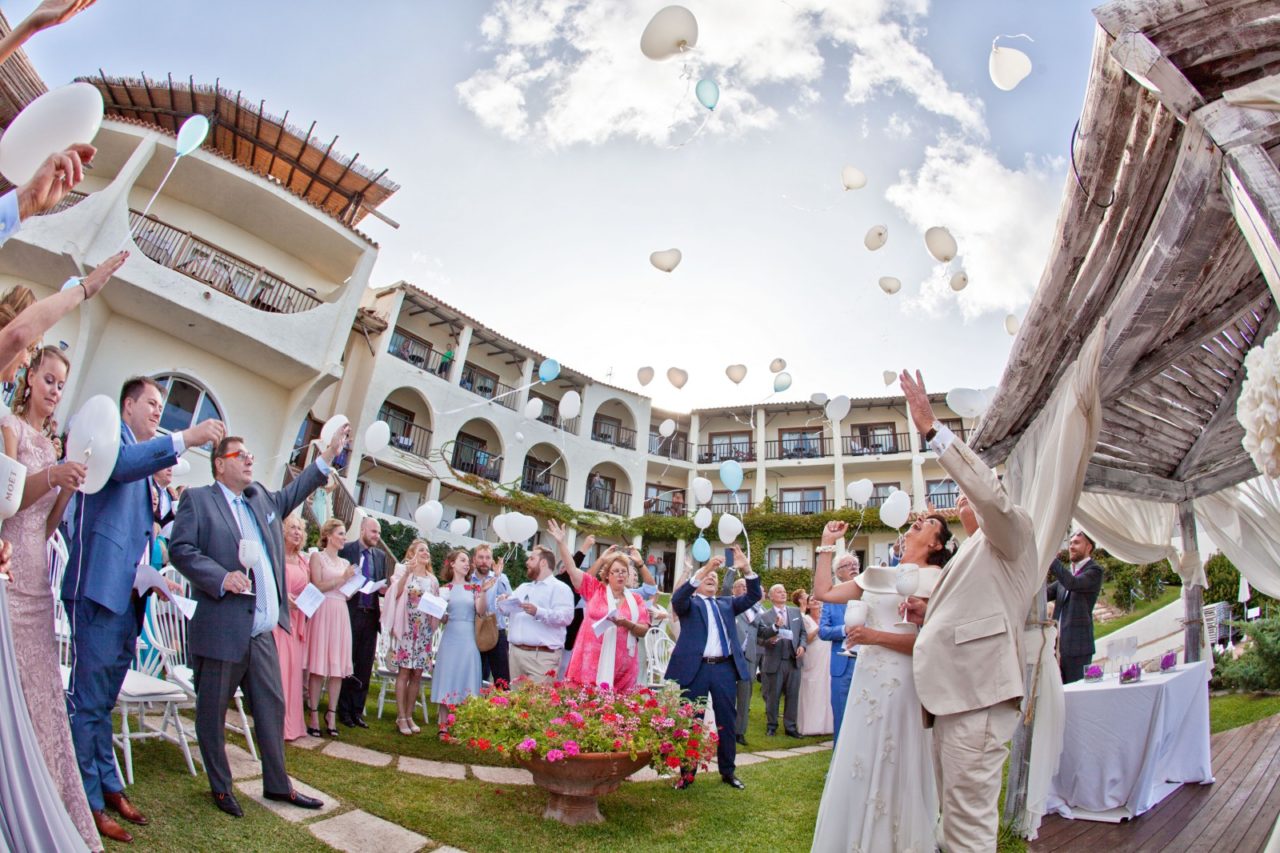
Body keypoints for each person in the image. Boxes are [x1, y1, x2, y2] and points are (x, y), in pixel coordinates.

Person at [63, 377, 223, 841]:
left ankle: (109, 785)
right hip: (96, 592)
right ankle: (87, 801)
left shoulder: (142, 467)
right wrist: (186, 439)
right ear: (127, 405)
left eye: (161, 405)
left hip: (126, 599)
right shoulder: (108, 437)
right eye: (151, 403)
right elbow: (120, 466)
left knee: (104, 703)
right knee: (89, 704)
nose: (159, 411)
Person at [899, 369, 1039, 853]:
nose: (962, 498)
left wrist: (933, 431)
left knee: (967, 829)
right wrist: (927, 616)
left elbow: (990, 496)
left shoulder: (1012, 531)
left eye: (971, 493)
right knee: (951, 818)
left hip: (977, 697)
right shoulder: (975, 552)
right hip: (953, 697)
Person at [169, 428, 341, 818]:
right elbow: (181, 550)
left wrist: (328, 454)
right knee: (212, 711)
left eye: (250, 454)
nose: (249, 459)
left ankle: (278, 785)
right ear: (219, 464)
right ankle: (221, 787)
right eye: (239, 455)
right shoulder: (199, 500)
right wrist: (219, 577)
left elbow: (294, 493)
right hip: (222, 628)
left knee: (271, 707)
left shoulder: (259, 498)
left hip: (261, 631)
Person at [0, 346, 99, 850]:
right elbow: (10, 502)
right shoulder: (10, 430)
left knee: (41, 693)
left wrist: (67, 487)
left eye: (62, 383)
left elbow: (47, 526)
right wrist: (52, 476)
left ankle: (43, 796)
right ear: (30, 377)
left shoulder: (53, 443)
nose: (55, 390)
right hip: (9, 567)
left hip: (38, 575)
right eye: (49, 379)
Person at [811, 516, 953, 852]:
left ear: (936, 543)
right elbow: (824, 592)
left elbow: (930, 642)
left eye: (929, 522)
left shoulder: (939, 581)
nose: (918, 520)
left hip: (903, 683)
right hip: (867, 683)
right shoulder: (876, 574)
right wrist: (826, 545)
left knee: (895, 758)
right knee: (859, 755)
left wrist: (873, 636)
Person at [665, 546, 761, 790]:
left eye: (715, 577)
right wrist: (706, 568)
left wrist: (747, 568)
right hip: (695, 670)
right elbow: (676, 599)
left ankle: (728, 772)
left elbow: (753, 596)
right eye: (707, 576)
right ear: (697, 582)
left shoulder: (727, 604)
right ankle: (687, 774)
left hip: (723, 670)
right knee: (692, 722)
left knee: (726, 721)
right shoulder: (689, 604)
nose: (711, 578)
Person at [561, 538, 651, 691]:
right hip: (590, 663)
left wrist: (627, 624)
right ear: (607, 575)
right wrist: (561, 542)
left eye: (624, 572)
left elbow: (643, 630)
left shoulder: (636, 599)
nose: (620, 575)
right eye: (615, 571)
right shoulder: (595, 590)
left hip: (623, 668)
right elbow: (571, 569)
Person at [431, 549, 492, 733]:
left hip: (468, 638)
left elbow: (481, 611)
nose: (467, 564)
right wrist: (439, 612)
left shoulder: (473, 588)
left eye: (468, 561)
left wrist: (483, 592)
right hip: (450, 637)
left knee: (466, 676)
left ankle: (462, 723)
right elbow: (440, 617)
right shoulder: (444, 590)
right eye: (463, 560)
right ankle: (443, 725)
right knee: (447, 676)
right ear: (452, 564)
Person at [382, 539, 439, 735]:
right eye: (421, 550)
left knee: (417, 674)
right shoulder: (403, 572)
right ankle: (400, 716)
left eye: (427, 550)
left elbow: (436, 605)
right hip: (407, 629)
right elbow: (394, 594)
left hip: (423, 632)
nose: (425, 553)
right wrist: (407, 573)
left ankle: (408, 714)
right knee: (404, 672)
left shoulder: (432, 580)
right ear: (412, 553)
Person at [305, 519, 355, 738]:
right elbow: (316, 586)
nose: (344, 538)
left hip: (340, 610)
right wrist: (342, 580)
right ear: (329, 535)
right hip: (322, 609)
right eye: (341, 533)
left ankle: (331, 714)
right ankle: (314, 714)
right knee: (318, 667)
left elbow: (348, 591)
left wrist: (352, 584)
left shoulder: (345, 562)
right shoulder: (317, 557)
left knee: (337, 669)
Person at [337, 517, 388, 728]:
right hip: (351, 612)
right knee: (347, 663)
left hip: (370, 615)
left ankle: (358, 711)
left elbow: (380, 584)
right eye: (373, 532)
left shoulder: (381, 556)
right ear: (363, 530)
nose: (377, 536)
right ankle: (343, 710)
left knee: (365, 666)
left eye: (378, 533)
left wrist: (383, 589)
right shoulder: (346, 550)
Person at [503, 544, 573, 683]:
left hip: (542, 657)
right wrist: (503, 602)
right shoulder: (523, 588)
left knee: (538, 702)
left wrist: (538, 612)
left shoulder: (560, 588)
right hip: (516, 654)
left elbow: (566, 617)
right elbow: (505, 611)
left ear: (543, 562)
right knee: (515, 703)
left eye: (531, 559)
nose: (527, 562)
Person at [1047, 531, 1104, 684]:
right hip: (1056, 647)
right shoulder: (1068, 575)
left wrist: (1051, 559)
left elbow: (1073, 584)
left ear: (1089, 547)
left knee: (1075, 694)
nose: (1071, 546)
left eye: (1077, 543)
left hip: (1078, 649)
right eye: (1070, 543)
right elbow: (1045, 594)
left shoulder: (1094, 571)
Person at [273, 515, 311, 741]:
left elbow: (308, 588)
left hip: (297, 618)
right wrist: (282, 597)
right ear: (283, 532)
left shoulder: (303, 560)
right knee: (279, 670)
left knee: (293, 671)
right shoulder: (276, 556)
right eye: (292, 528)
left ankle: (293, 724)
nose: (297, 532)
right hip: (278, 619)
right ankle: (275, 723)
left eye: (300, 529)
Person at [756, 583, 807, 738]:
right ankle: (772, 726)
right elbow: (760, 638)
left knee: (792, 695)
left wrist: (802, 646)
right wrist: (772, 635)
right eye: (779, 592)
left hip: (793, 660)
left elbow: (803, 633)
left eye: (784, 591)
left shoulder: (795, 612)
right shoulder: (764, 616)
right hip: (774, 661)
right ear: (771, 597)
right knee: (773, 696)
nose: (783, 594)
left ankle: (790, 727)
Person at [719, 568, 763, 747]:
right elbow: (724, 590)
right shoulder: (729, 604)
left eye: (747, 587)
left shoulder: (757, 611)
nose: (745, 590)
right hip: (730, 657)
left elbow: (762, 632)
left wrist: (775, 629)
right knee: (727, 696)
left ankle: (740, 731)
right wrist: (732, 570)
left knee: (745, 697)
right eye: (741, 587)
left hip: (749, 658)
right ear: (735, 590)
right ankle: (724, 730)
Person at [818, 554, 859, 743]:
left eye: (856, 564)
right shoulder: (831, 599)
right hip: (843, 665)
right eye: (847, 564)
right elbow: (823, 631)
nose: (853, 567)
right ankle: (837, 769)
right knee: (842, 718)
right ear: (838, 573)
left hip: (868, 661)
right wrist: (844, 629)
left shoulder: (870, 593)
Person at [469, 543, 511, 687]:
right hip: (475, 631)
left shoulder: (499, 578)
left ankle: (502, 707)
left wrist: (499, 577)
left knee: (502, 679)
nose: (484, 561)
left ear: (492, 560)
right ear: (474, 560)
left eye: (487, 557)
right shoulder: (468, 580)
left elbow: (509, 602)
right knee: (476, 675)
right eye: (480, 557)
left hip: (497, 631)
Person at [797, 595, 833, 736]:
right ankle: (810, 725)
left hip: (827, 654)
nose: (816, 602)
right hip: (812, 655)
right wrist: (819, 629)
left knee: (827, 686)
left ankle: (828, 725)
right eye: (812, 600)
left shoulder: (827, 618)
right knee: (812, 686)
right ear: (808, 605)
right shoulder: (805, 619)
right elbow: (806, 639)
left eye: (818, 600)